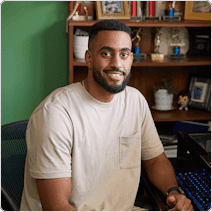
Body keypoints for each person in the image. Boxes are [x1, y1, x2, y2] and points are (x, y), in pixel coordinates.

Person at [20, 20, 193, 211]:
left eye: (124, 54)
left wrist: (173, 192)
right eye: (106, 53)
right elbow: (57, 207)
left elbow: (155, 160)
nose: (116, 63)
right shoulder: (55, 113)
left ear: (131, 60)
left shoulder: (135, 101)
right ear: (89, 58)